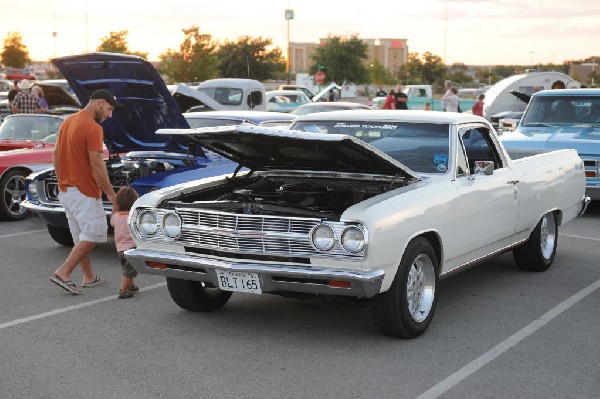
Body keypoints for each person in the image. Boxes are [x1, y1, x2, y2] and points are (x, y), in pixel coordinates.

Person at [50, 89, 123, 295]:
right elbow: (97, 165)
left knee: (80, 236)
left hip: (66, 191)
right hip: (84, 191)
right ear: (99, 103)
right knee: (95, 232)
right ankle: (64, 272)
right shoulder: (92, 127)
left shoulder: (68, 122)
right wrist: (111, 194)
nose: (110, 115)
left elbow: (55, 154)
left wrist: (61, 179)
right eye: (109, 109)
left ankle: (88, 276)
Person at [110, 187, 140, 299]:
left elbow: (112, 222)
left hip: (120, 249)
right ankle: (123, 290)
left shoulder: (116, 217)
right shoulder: (133, 217)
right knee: (129, 271)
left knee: (127, 269)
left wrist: (114, 208)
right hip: (131, 249)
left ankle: (130, 285)